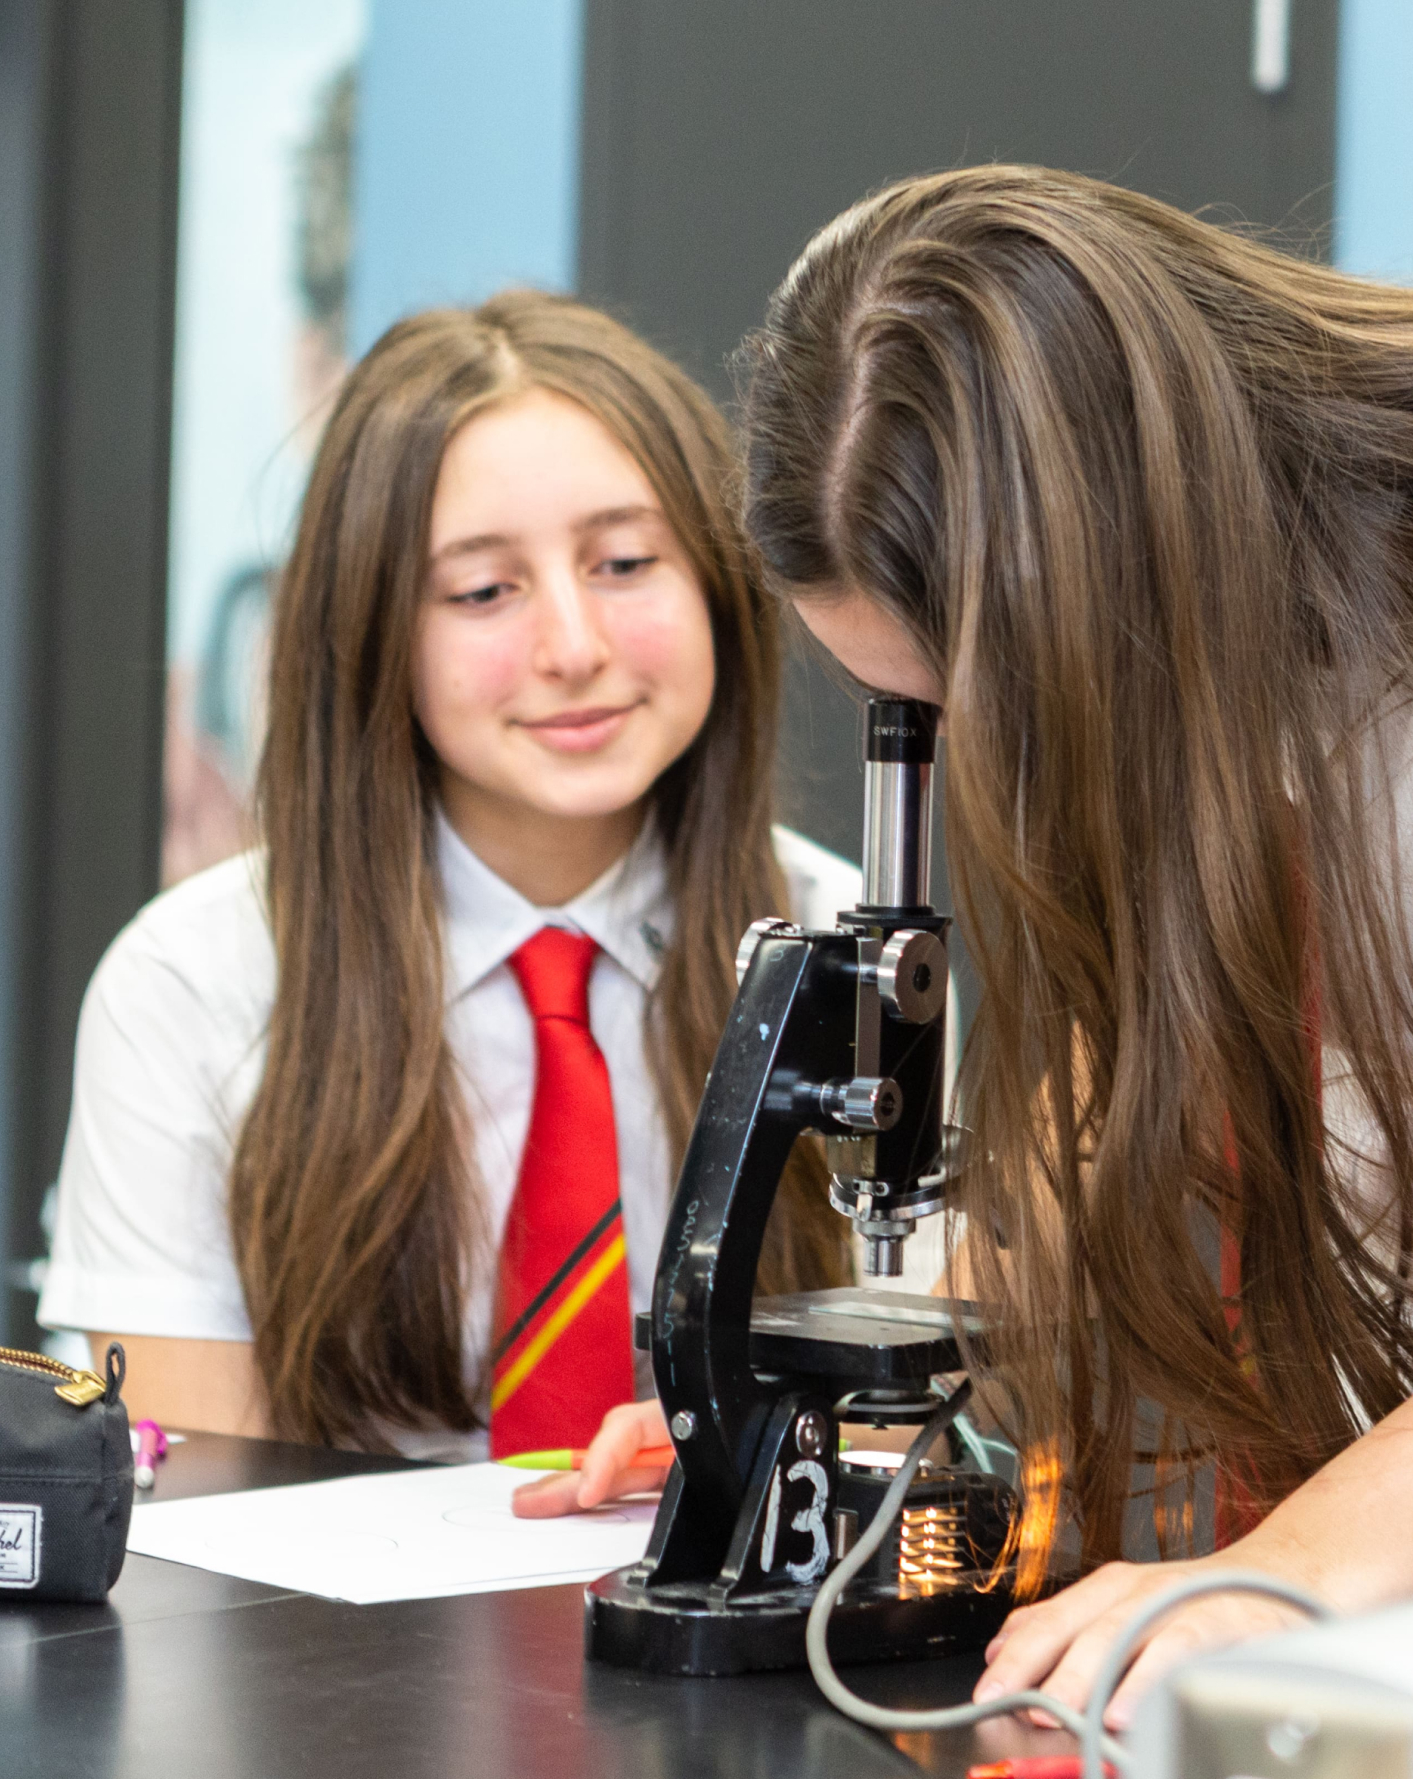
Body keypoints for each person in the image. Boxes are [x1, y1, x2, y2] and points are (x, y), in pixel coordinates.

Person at [551, 165, 1413, 1718]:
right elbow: (1118, 1060)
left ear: (1113, 570)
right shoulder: (1198, 672)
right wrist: (850, 1424)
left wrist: (1305, 1559)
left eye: (993, 699)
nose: (984, 754)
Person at [38, 289, 858, 1460]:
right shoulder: (194, 983)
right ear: (372, 628)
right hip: (309, 1639)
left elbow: (912, 1433)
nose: (573, 645)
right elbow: (193, 1495)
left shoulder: (839, 939)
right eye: (482, 590)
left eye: (625, 562)